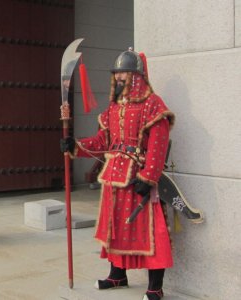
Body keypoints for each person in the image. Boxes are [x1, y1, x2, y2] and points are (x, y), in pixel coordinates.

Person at [61, 48, 175, 300]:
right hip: (113, 176)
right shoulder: (113, 108)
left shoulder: (153, 105)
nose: (119, 78)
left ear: (137, 76)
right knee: (115, 229)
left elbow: (158, 142)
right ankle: (117, 274)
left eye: (125, 74)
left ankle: (155, 287)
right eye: (117, 74)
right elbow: (103, 141)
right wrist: (76, 146)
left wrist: (149, 176)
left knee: (150, 232)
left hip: (138, 179)